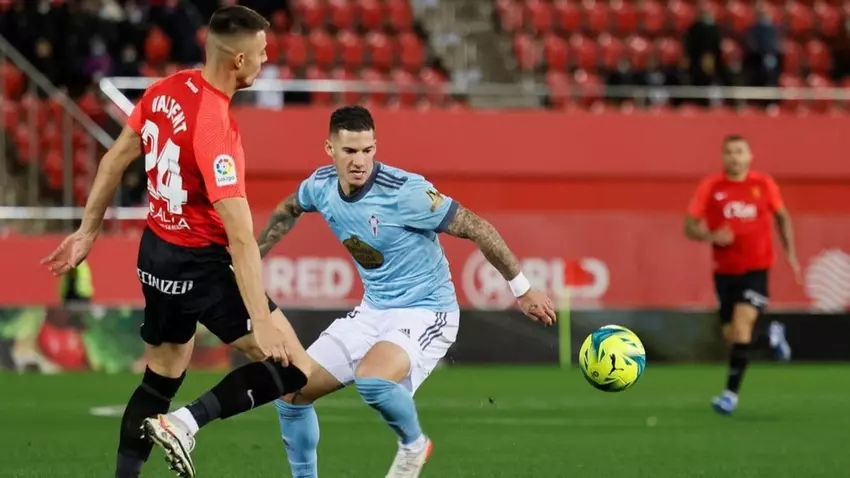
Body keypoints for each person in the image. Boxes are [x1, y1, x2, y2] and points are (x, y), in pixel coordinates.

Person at [40, 7, 311, 478]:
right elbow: (240, 237)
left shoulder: (165, 90)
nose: (266, 60)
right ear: (239, 60)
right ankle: (185, 424)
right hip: (199, 263)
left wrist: (88, 232)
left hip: (156, 255)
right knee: (292, 367)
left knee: (158, 381)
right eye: (262, 53)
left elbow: (114, 159)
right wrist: (262, 323)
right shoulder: (215, 128)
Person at [254, 105, 553, 478]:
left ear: (375, 147)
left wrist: (522, 289)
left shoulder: (406, 192)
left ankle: (414, 446)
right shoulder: (321, 186)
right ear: (330, 149)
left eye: (367, 150)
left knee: (372, 380)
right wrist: (251, 261)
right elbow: (289, 208)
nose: (359, 161)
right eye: (349, 151)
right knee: (291, 392)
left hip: (427, 310)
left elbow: (476, 227)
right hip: (372, 311)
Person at [684, 134, 798, 416]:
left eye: (739, 151)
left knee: (741, 326)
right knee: (733, 337)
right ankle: (770, 338)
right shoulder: (711, 187)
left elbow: (782, 217)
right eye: (729, 152)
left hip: (756, 268)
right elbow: (689, 226)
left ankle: (729, 395)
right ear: (722, 157)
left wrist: (791, 254)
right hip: (724, 272)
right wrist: (711, 236)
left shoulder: (763, 184)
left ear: (749, 156)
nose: (734, 157)